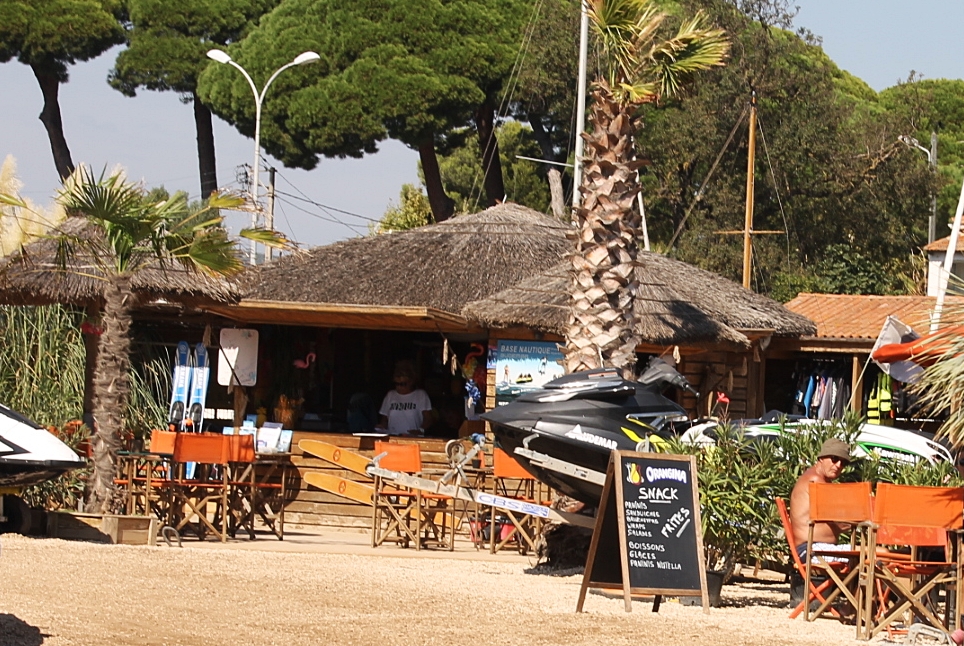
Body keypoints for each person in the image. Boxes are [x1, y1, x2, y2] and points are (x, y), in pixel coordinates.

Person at [789, 438, 852, 562]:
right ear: (821, 458)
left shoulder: (816, 478)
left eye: (843, 462)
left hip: (816, 549)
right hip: (812, 551)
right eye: (834, 459)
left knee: (873, 554)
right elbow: (838, 520)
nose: (838, 465)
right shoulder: (815, 480)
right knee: (879, 553)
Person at [376, 361, 433, 436]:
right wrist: (381, 427)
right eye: (397, 384)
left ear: (411, 382)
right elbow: (385, 419)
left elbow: (428, 419)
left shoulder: (421, 395)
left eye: (403, 384)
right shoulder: (390, 395)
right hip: (392, 439)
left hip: (413, 439)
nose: (399, 387)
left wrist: (420, 430)